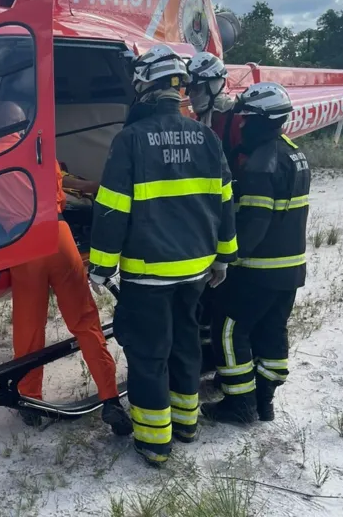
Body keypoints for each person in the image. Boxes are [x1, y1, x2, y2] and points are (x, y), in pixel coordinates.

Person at [87, 45, 238, 467]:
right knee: (186, 345)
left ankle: (154, 443)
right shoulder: (206, 138)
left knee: (150, 354)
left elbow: (112, 209)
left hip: (148, 275)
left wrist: (100, 267)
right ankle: (186, 424)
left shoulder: (131, 140)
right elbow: (224, 203)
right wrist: (223, 258)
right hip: (195, 272)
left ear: (144, 87)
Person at [0, 101, 132, 435]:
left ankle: (30, 399)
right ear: (20, 124)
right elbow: (60, 193)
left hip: (22, 243)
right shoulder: (40, 150)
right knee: (86, 321)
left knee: (30, 328)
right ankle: (110, 397)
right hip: (58, 236)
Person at [201, 82, 310, 425]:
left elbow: (254, 223)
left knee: (229, 331)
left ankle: (240, 405)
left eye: (248, 120)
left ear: (264, 120)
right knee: (271, 331)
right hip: (290, 268)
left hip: (259, 269)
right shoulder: (294, 152)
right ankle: (264, 401)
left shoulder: (262, 163)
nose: (242, 126)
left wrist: (225, 258)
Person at [186, 52, 237, 375]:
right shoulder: (199, 123)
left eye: (200, 87)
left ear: (217, 85)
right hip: (208, 224)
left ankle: (225, 365)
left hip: (231, 220)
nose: (193, 95)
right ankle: (206, 358)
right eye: (190, 88)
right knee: (204, 300)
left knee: (224, 302)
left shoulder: (233, 121)